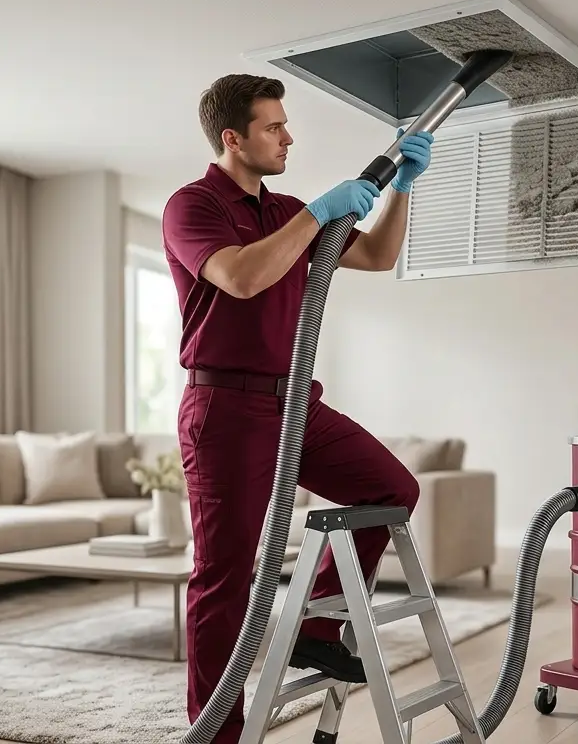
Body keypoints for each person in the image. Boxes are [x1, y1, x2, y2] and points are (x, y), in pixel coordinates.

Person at [160, 72, 436, 743]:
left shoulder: (286, 212)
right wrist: (321, 209)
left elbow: (375, 253)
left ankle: (315, 628)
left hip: (296, 405)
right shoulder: (191, 206)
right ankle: (216, 735)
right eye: (273, 126)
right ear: (234, 138)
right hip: (224, 409)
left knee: (391, 488)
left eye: (285, 123)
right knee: (225, 577)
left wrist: (401, 188)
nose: (289, 136)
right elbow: (243, 277)